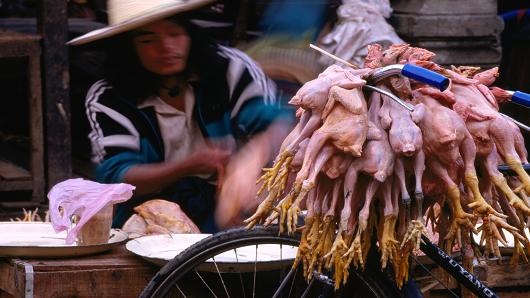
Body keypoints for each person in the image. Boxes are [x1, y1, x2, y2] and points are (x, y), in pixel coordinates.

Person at [68, 0, 292, 233]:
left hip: (233, 212)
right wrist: (188, 165)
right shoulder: (109, 97)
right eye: (147, 39)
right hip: (149, 217)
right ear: (128, 47)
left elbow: (276, 124)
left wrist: (249, 162)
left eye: (175, 33)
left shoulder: (230, 70)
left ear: (191, 33)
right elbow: (119, 177)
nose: (166, 47)